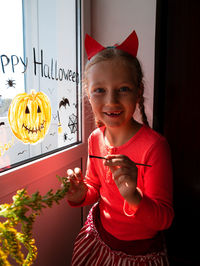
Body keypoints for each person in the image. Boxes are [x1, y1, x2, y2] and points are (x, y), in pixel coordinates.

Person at [65, 30, 174, 265]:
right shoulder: (95, 138)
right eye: (100, 90)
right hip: (99, 239)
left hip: (139, 252)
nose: (111, 101)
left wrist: (134, 197)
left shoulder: (154, 147)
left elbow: (164, 218)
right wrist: (80, 194)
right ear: (88, 94)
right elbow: (94, 186)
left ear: (139, 91)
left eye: (123, 88)